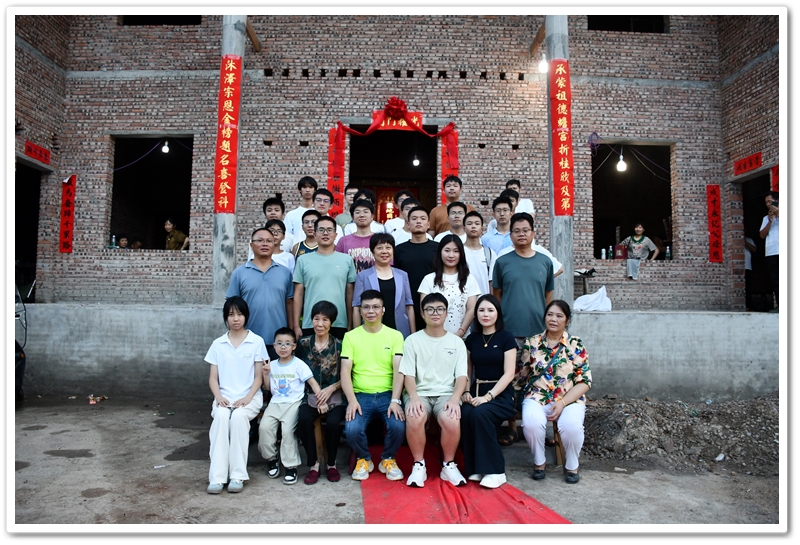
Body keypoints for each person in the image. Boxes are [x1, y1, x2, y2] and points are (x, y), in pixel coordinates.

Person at [491, 212, 554, 444]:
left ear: (533, 233)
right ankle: (511, 428)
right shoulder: (502, 262)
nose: (521, 234)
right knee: (511, 381)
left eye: (525, 230)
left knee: (540, 381)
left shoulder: (544, 262)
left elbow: (548, 296)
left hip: (538, 334)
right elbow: (496, 296)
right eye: (516, 231)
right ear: (510, 235)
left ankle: (541, 429)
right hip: (509, 334)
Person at [400, 292, 469, 488]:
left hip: (447, 393)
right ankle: (419, 465)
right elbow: (408, 374)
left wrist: (455, 399)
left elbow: (461, 377)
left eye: (440, 309)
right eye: (429, 309)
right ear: (422, 314)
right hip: (419, 392)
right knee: (415, 416)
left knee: (451, 418)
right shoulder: (412, 340)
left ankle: (448, 465)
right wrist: (413, 397)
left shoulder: (456, 342)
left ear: (447, 313)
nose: (435, 313)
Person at [521, 300, 592, 484]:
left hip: (569, 398)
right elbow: (523, 374)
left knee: (571, 426)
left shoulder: (576, 344)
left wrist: (562, 402)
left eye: (559, 316)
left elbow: (585, 382)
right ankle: (539, 462)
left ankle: (572, 465)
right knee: (531, 423)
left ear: (567, 320)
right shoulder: (532, 342)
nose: (553, 319)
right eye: (550, 314)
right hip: (537, 396)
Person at [340, 290, 406, 482]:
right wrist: (352, 401)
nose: (371, 311)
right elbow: (345, 372)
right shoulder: (351, 337)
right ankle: (364, 459)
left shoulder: (395, 336)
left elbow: (399, 370)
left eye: (375, 307)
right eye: (366, 307)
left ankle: (388, 459)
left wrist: (395, 400)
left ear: (383, 310)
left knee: (398, 425)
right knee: (352, 428)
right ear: (360, 311)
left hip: (388, 394)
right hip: (361, 395)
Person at [204, 297, 266, 494]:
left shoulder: (256, 342)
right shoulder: (218, 344)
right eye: (231, 315)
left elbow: (259, 377)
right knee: (221, 418)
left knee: (238, 418)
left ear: (246, 316)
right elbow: (213, 378)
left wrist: (247, 398)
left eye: (239, 314)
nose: (235, 319)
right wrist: (218, 397)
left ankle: (237, 476)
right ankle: (217, 478)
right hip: (224, 397)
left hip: (250, 397)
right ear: (226, 318)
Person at [460, 294, 517, 488]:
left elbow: (509, 374)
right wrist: (465, 392)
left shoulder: (506, 338)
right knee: (465, 413)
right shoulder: (472, 339)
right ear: (475, 314)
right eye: (481, 310)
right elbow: (467, 370)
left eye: (490, 310)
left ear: (497, 313)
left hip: (500, 394)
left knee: (480, 414)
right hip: (476, 391)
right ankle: (476, 467)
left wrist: (488, 396)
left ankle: (496, 471)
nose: (486, 314)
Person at [258, 327, 323, 486]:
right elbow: (269, 388)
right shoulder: (272, 365)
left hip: (293, 403)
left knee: (288, 432)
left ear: (294, 346)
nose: (283, 347)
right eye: (279, 343)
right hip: (275, 403)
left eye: (287, 343)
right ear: (274, 346)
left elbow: (312, 382)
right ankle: (272, 458)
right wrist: (265, 374)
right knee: (264, 428)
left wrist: (321, 401)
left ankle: (290, 467)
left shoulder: (299, 364)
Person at [294, 301, 347, 484]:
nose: (320, 324)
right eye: (316, 319)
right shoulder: (303, 344)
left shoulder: (340, 345)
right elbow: (295, 369)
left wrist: (331, 388)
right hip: (309, 396)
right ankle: (313, 464)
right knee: (303, 419)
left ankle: (331, 463)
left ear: (331, 322)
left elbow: (348, 375)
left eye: (325, 319)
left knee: (333, 423)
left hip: (336, 396)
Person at [226, 227, 294, 361]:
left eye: (269, 241)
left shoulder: (285, 272)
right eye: (260, 240)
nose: (265, 244)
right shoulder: (239, 273)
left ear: (274, 244)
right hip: (247, 339)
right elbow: (231, 306)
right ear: (251, 245)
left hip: (279, 341)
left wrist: (291, 331)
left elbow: (289, 303)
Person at [293, 215, 356, 341]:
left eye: (329, 230)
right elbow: (298, 294)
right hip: (311, 323)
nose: (325, 233)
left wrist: (350, 323)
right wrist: (296, 325)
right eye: (321, 230)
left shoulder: (347, 260)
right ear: (315, 234)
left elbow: (350, 294)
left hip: (339, 322)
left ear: (336, 234)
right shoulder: (303, 260)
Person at [353, 233, 415, 338]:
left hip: (399, 330)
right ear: (372, 251)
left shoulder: (403, 275)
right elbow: (356, 307)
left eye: (388, 247)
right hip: (371, 331)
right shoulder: (363, 276)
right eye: (379, 248)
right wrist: (357, 335)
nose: (384, 251)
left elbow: (409, 306)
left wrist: (413, 334)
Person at [418, 235, 481, 338]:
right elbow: (423, 309)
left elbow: (471, 309)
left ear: (461, 254)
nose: (451, 255)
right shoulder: (429, 279)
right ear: (440, 252)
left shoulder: (470, 279)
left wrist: (460, 332)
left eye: (456, 251)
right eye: (447, 250)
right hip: (434, 337)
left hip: (462, 338)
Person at [394, 206, 440, 330]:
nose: (418, 221)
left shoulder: (437, 248)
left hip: (433, 301)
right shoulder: (399, 249)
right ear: (408, 224)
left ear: (428, 224)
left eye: (422, 218)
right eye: (414, 219)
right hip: (407, 302)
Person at [335, 199, 378, 273]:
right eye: (357, 212)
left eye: (366, 212)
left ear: (372, 216)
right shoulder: (343, 241)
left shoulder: (379, 240)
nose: (362, 215)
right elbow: (337, 265)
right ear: (352, 217)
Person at [462, 211, 497, 295]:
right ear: (464, 228)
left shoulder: (490, 253)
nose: (473, 226)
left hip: (484, 299)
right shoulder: (458, 252)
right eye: (469, 223)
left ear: (482, 228)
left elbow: (492, 282)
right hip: (463, 299)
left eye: (477, 223)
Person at [759, 191, 779, 312]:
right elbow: (762, 235)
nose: (768, 204)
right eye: (766, 202)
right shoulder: (766, 218)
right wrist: (770, 221)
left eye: (770, 202)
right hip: (771, 252)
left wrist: (778, 213)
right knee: (776, 280)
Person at [744, 233, 757, 311]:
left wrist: (745, 241)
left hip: (747, 266)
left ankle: (748, 306)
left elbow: (754, 249)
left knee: (747, 287)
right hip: (739, 267)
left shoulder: (749, 240)